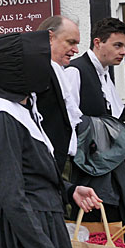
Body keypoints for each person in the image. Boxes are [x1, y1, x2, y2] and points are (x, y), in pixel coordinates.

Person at [0, 30, 102, 248]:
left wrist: (69, 190)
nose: (48, 67)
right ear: (20, 70)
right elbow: (11, 194)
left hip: (39, 220)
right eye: (41, 61)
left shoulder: (24, 111)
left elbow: (31, 172)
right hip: (21, 235)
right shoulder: (3, 119)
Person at [64, 17, 125, 238]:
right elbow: (68, 122)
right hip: (87, 169)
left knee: (120, 220)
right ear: (98, 42)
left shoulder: (105, 73)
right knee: (93, 226)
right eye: (118, 45)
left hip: (111, 165)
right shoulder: (75, 72)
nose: (124, 52)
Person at [35, 15, 83, 174]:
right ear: (50, 37)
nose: (76, 50)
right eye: (71, 42)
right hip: (46, 166)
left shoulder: (58, 72)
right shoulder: (38, 74)